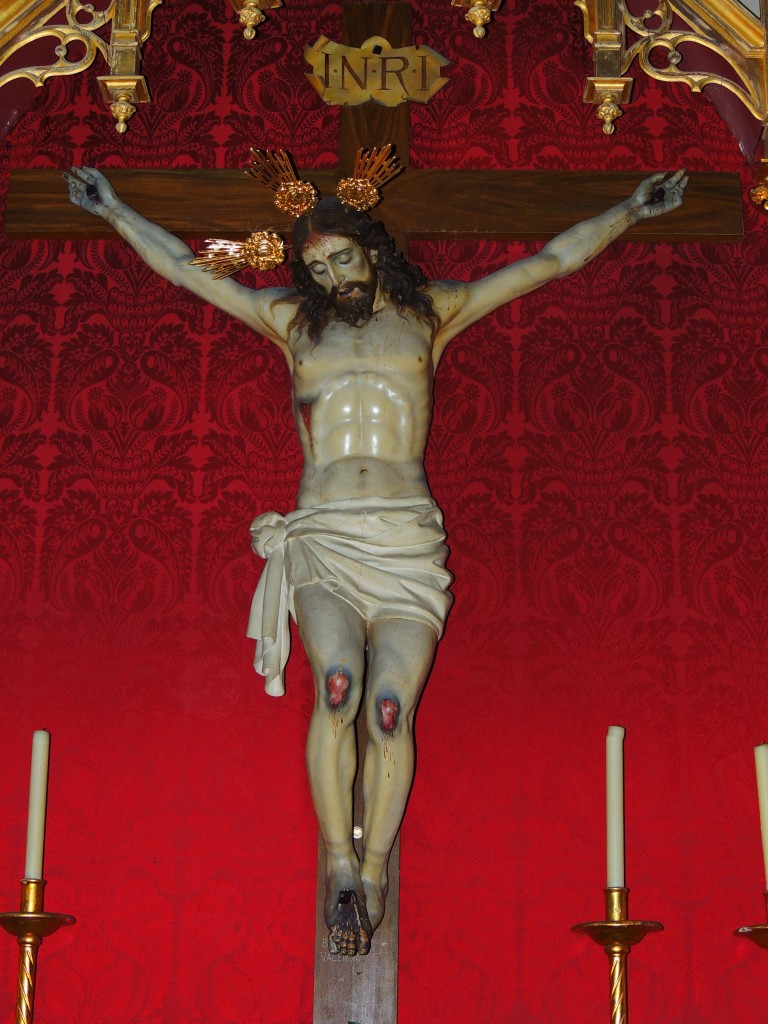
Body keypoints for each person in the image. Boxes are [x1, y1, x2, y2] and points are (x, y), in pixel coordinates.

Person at [65, 164, 687, 955]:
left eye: (343, 262)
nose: (332, 279)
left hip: (404, 542)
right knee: (337, 691)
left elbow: (547, 264)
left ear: (372, 249)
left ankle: (375, 865)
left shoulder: (431, 314)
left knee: (388, 708)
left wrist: (629, 209)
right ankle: (338, 863)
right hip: (325, 531)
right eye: (318, 268)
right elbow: (187, 270)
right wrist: (117, 210)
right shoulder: (292, 321)